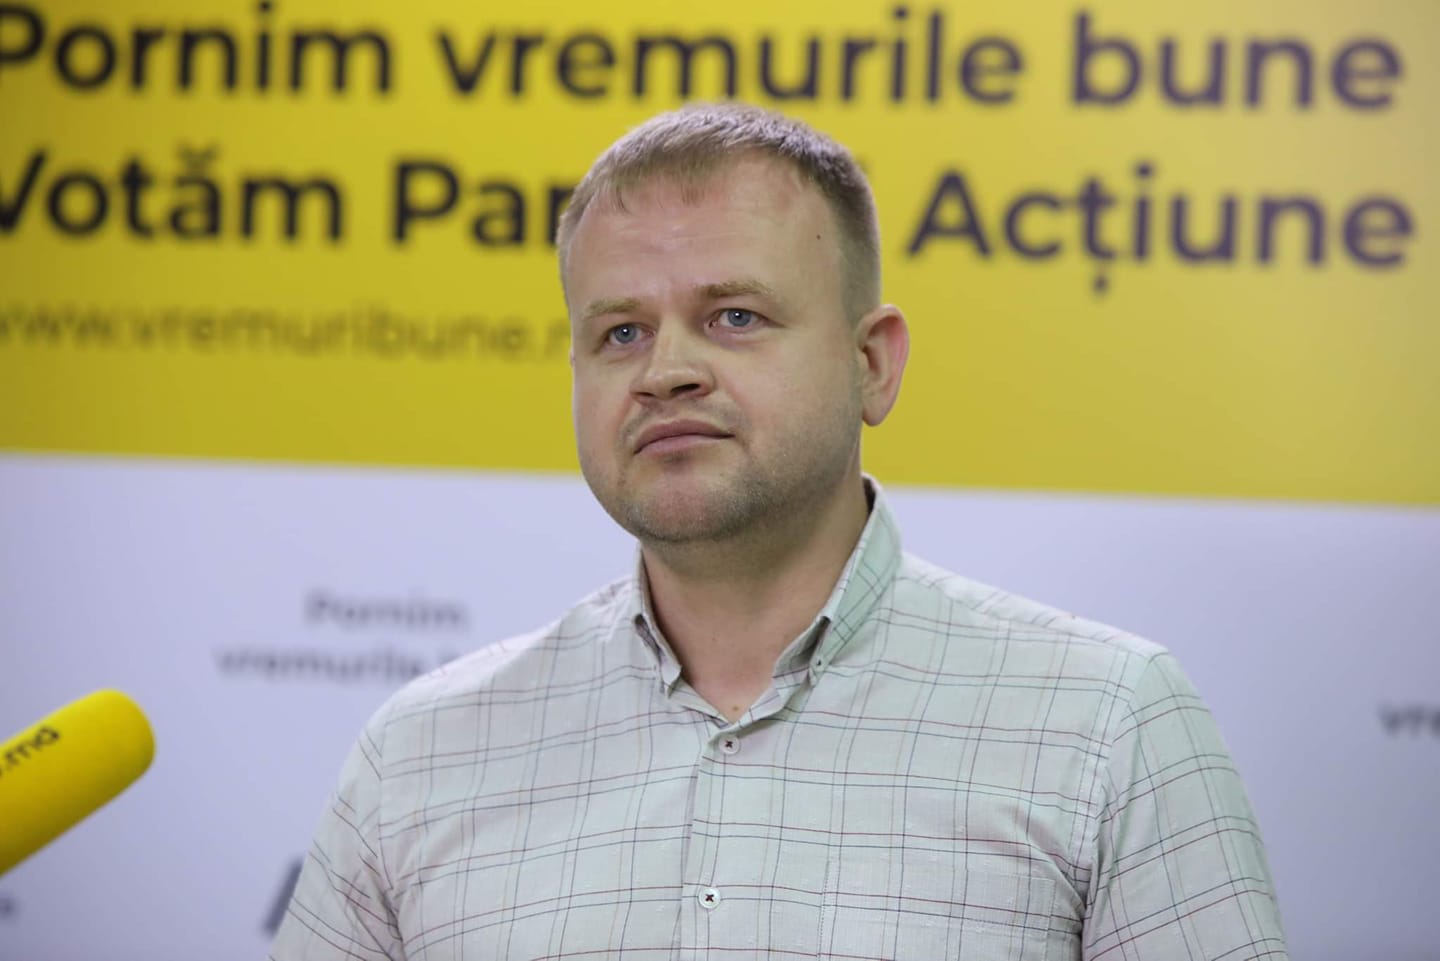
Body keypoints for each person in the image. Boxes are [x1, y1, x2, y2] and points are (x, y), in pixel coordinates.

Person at [270, 103, 1288, 960]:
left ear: (872, 364)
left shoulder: (1105, 722)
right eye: (621, 332)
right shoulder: (421, 753)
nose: (666, 370)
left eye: (735, 317)